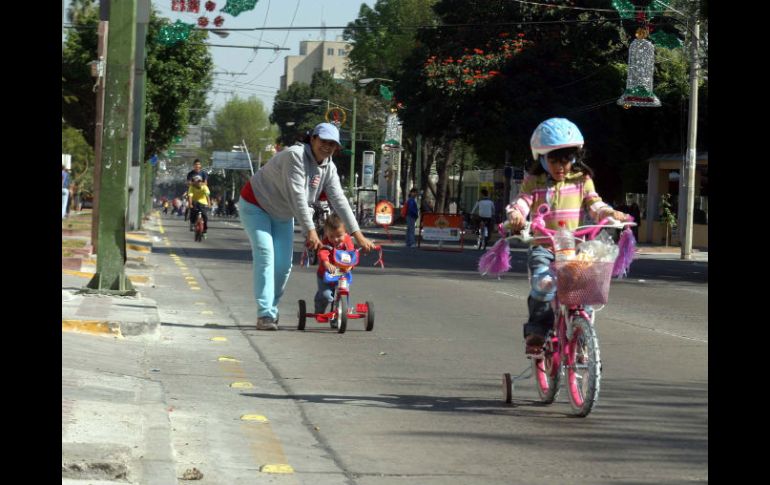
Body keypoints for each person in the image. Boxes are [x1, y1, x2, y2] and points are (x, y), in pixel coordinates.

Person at [505, 118, 630, 354]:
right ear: (541, 158)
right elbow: (522, 201)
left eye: (566, 161)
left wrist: (609, 213)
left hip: (574, 247)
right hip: (543, 246)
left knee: (586, 289)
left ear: (574, 159)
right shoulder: (534, 181)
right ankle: (537, 333)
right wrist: (516, 215)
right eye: (554, 161)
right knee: (543, 284)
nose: (560, 167)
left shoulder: (582, 180)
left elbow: (595, 204)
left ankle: (582, 338)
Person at [238, 122, 376, 331]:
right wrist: (310, 231)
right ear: (313, 139)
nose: (327, 147)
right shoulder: (295, 156)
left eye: (332, 144)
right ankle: (265, 314)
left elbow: (339, 200)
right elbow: (298, 197)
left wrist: (357, 234)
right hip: (256, 204)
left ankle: (272, 309)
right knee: (266, 254)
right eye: (323, 141)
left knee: (283, 265)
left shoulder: (328, 167)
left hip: (282, 214)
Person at [314, 214, 355, 328]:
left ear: (345, 232)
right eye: (332, 236)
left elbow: (351, 254)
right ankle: (319, 307)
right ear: (326, 233)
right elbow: (323, 252)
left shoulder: (347, 241)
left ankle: (339, 316)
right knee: (327, 296)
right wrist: (326, 263)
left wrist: (351, 265)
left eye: (339, 235)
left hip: (341, 273)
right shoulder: (326, 242)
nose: (335, 239)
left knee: (344, 291)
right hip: (325, 275)